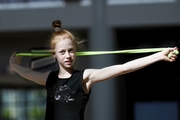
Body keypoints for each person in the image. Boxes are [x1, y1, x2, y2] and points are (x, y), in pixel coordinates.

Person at [9, 20, 178, 120]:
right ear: (54, 55)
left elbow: (123, 68)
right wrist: (14, 65)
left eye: (71, 50)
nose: (68, 55)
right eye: (62, 52)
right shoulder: (49, 78)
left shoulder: (85, 77)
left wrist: (158, 55)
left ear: (75, 51)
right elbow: (28, 74)